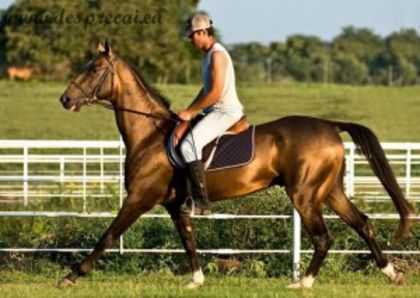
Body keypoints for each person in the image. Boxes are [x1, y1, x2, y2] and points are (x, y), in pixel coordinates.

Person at [177, 14, 244, 215]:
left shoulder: (217, 55)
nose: (190, 40)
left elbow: (215, 93)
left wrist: (191, 112)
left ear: (204, 32)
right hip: (215, 110)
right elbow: (206, 89)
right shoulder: (208, 56)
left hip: (225, 112)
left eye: (193, 36)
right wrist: (188, 110)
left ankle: (202, 202)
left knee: (189, 146)